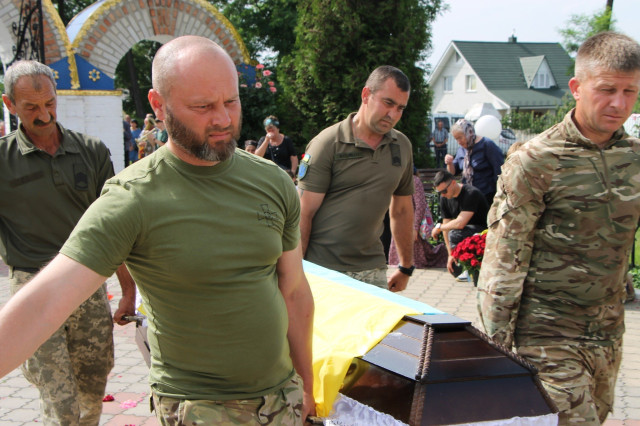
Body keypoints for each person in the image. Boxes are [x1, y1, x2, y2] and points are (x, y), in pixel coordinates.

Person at [0, 36, 315, 425]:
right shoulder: (133, 198)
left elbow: (294, 291)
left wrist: (307, 387)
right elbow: (45, 302)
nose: (222, 119)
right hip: (200, 409)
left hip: (282, 401)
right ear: (158, 105)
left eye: (231, 101)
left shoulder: (272, 182)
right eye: (202, 106)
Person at [477, 32, 640, 424]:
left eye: (630, 92)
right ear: (576, 88)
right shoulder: (536, 161)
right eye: (607, 90)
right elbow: (503, 261)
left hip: (608, 335)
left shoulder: (633, 158)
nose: (619, 103)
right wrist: (494, 354)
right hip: (545, 336)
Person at [0, 59, 136, 425]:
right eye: (31, 107)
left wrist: (128, 290)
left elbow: (115, 226)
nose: (44, 115)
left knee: (92, 391)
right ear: (10, 104)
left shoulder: (90, 151)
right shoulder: (3, 160)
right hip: (32, 285)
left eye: (49, 103)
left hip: (86, 281)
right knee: (59, 400)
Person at [298, 65, 415, 292]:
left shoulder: (401, 146)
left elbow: (402, 209)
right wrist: (296, 275)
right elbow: (303, 212)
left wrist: (406, 267)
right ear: (366, 95)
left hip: (373, 268)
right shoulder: (328, 143)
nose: (392, 114)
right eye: (388, 103)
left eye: (400, 108)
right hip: (324, 270)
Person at [431, 170, 488, 278]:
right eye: (439, 192)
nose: (442, 194)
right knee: (455, 270)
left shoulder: (471, 193)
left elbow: (460, 223)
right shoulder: (444, 198)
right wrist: (450, 254)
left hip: (483, 233)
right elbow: (446, 227)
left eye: (444, 191)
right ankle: (463, 265)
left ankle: (468, 267)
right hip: (465, 233)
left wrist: (439, 227)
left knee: (455, 233)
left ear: (453, 183)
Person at [389, 168, 447, 269]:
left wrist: (415, 227)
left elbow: (420, 204)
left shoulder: (414, 181)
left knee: (417, 256)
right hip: (399, 221)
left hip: (411, 221)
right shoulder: (397, 180)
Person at [444, 118, 503, 206]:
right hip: (468, 195)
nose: (459, 142)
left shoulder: (487, 144)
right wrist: (449, 163)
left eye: (460, 138)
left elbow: (499, 170)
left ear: (469, 133)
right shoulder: (461, 150)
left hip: (486, 195)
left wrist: (499, 194)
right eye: (456, 139)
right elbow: (452, 172)